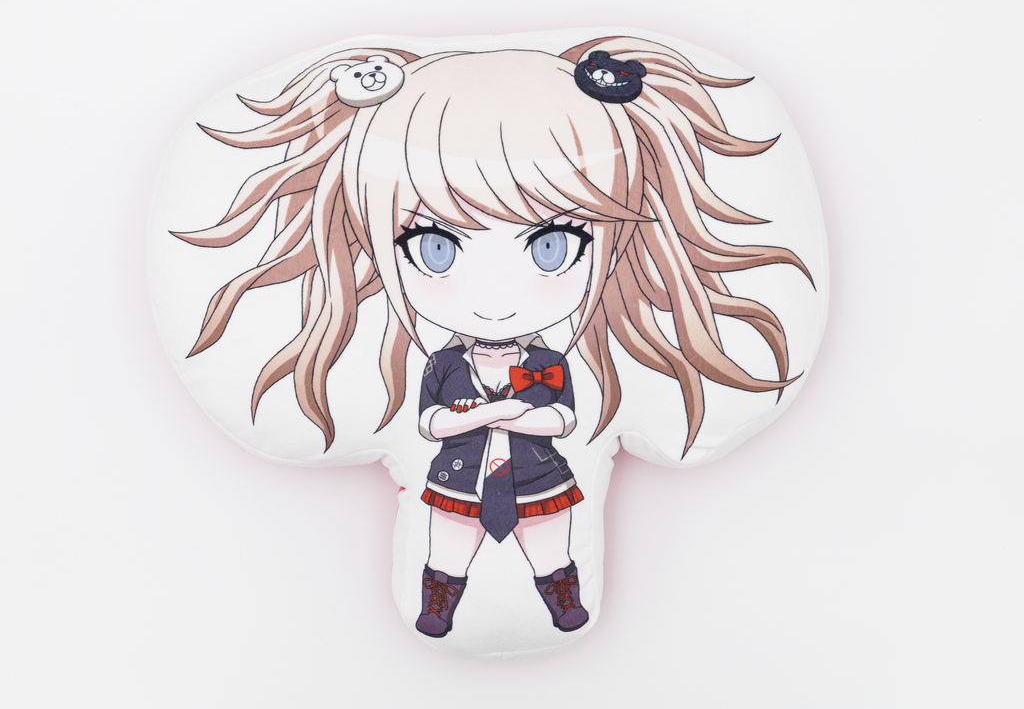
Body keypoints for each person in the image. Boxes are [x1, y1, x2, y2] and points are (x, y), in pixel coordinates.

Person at [175, 36, 811, 638]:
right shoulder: (444, 365)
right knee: (449, 549)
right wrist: (496, 413)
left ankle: (562, 601)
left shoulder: (549, 359)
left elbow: (561, 418)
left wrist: (500, 414)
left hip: (538, 478)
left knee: (550, 547)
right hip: (457, 478)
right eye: (434, 247)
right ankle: (439, 606)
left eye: (553, 245)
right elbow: (430, 423)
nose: (496, 301)